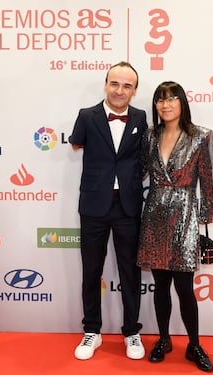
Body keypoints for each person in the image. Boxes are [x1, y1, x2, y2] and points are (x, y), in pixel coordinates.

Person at [69, 61, 148, 361]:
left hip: (128, 206)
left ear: (134, 90)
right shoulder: (86, 116)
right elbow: (77, 144)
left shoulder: (140, 117)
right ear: (105, 84)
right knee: (91, 271)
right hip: (93, 206)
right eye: (115, 83)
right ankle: (92, 331)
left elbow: (143, 158)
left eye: (127, 85)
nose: (120, 90)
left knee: (130, 271)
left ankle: (132, 331)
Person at [137, 81, 213, 372]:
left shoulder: (201, 137)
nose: (165, 104)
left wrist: (205, 215)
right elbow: (140, 170)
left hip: (185, 214)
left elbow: (206, 178)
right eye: (160, 100)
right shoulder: (149, 136)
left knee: (184, 287)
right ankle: (164, 339)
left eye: (172, 99)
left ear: (182, 103)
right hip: (154, 214)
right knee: (160, 286)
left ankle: (194, 345)